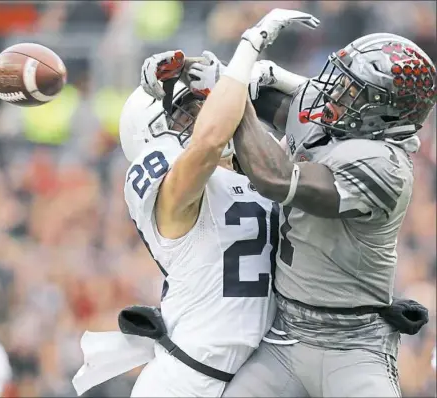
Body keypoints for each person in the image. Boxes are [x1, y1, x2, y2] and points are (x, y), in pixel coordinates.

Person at [142, 22, 434, 397]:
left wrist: (230, 93)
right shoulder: (342, 123)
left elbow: (276, 179)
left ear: (385, 114)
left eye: (354, 91)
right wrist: (185, 71)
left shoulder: (385, 166)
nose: (336, 93)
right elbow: (250, 95)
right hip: (284, 339)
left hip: (354, 349)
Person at [118, 10, 321, 397]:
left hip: (253, 379)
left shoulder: (251, 175)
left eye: (201, 106)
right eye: (186, 113)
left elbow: (325, 127)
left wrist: (273, 77)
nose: (202, 113)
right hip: (186, 382)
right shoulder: (174, 189)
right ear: (150, 136)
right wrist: (246, 52)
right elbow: (209, 140)